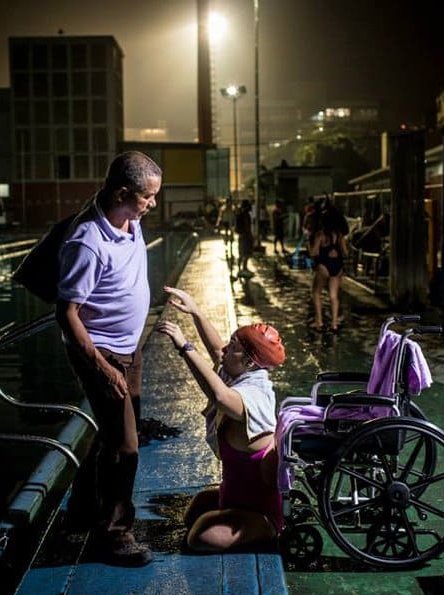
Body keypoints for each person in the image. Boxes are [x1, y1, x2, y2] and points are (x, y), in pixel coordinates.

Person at [55, 150, 161, 567]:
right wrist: (102, 367)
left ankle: (81, 510)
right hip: (101, 352)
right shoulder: (87, 242)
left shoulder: (129, 221)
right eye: (147, 196)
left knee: (110, 434)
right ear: (121, 192)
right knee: (125, 447)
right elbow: (66, 314)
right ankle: (114, 534)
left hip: (129, 347)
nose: (152, 204)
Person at [155, 286, 285, 552]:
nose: (225, 349)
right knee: (193, 514)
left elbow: (220, 396)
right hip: (235, 498)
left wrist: (184, 346)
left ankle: (268, 531)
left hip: (260, 514)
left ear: (249, 362)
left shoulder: (253, 394)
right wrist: (195, 311)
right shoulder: (242, 371)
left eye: (234, 346)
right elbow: (217, 351)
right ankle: (226, 513)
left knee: (199, 537)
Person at [310, 204, 349, 332]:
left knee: (316, 292)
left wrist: (310, 248)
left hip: (324, 265)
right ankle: (334, 325)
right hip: (337, 266)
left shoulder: (320, 235)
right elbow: (345, 252)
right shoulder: (339, 235)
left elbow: (315, 252)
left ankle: (319, 322)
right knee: (333, 295)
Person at [235, 199, 254, 274]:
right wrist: (251, 236)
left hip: (241, 235)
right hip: (245, 236)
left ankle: (240, 268)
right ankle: (244, 268)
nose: (250, 207)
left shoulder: (240, 213)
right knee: (246, 253)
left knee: (241, 252)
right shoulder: (246, 215)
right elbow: (247, 227)